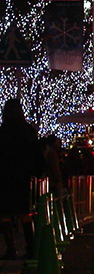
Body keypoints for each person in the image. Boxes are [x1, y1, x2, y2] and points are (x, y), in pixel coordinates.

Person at [0, 99, 43, 260]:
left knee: (4, 213)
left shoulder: (3, 131)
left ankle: (11, 249)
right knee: (25, 213)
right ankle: (31, 248)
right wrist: (36, 172)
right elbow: (36, 154)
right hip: (22, 177)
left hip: (4, 177)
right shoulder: (27, 131)